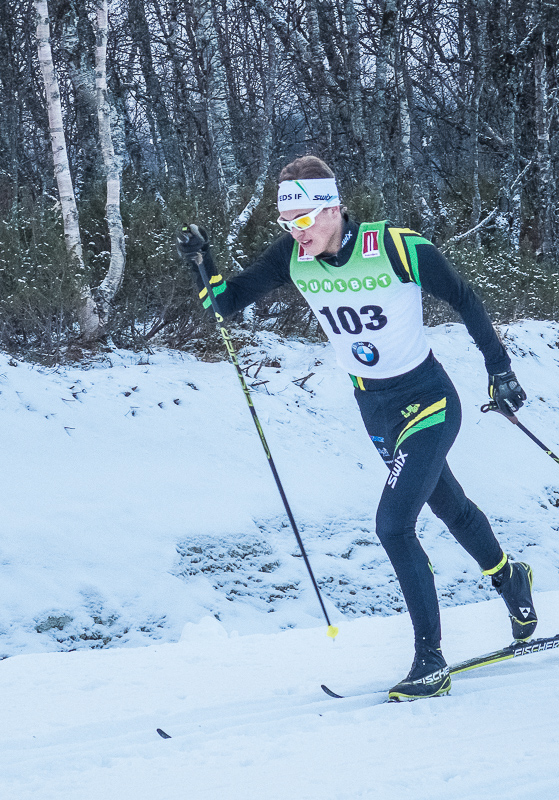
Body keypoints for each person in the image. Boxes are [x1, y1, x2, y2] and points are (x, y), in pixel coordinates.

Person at [176, 155, 536, 701]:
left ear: (334, 209)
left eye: (303, 221)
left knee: (393, 525)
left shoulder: (396, 247)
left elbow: (463, 297)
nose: (296, 233)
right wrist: (202, 264)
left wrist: (499, 369)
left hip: (429, 398)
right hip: (375, 408)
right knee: (449, 506)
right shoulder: (292, 257)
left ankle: (430, 660)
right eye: (286, 222)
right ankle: (511, 579)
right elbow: (226, 306)